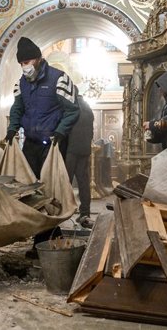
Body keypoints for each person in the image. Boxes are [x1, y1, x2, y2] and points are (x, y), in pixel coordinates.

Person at [5, 37, 80, 256]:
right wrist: (12, 128)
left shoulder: (59, 79)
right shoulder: (22, 83)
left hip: (53, 143)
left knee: (49, 191)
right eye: (21, 63)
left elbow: (73, 111)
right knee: (30, 190)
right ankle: (47, 235)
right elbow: (18, 108)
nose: (24, 66)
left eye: (27, 61)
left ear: (38, 59)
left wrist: (60, 131)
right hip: (31, 143)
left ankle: (42, 241)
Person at [65, 91, 95, 229]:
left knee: (66, 181)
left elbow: (66, 128)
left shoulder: (71, 107)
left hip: (71, 149)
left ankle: (64, 211)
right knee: (83, 182)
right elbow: (91, 132)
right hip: (84, 150)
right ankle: (85, 213)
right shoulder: (88, 109)